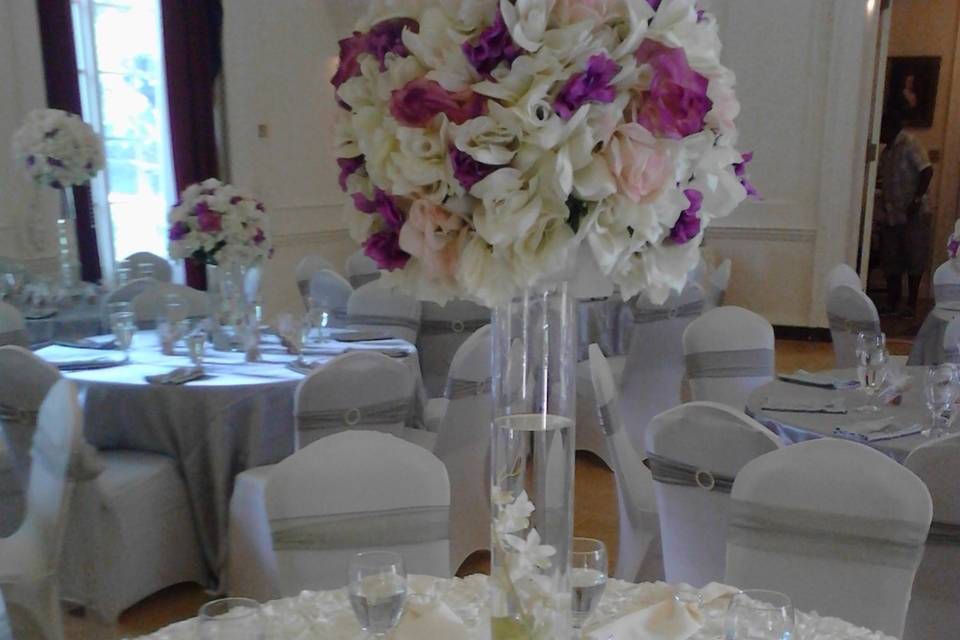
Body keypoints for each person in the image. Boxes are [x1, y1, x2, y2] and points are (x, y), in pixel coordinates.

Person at [877, 108, 933, 317]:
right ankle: (892, 303)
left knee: (914, 257)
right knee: (891, 258)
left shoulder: (910, 143)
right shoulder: (887, 152)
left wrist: (916, 200)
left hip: (914, 213)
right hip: (892, 215)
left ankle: (911, 304)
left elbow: (926, 170)